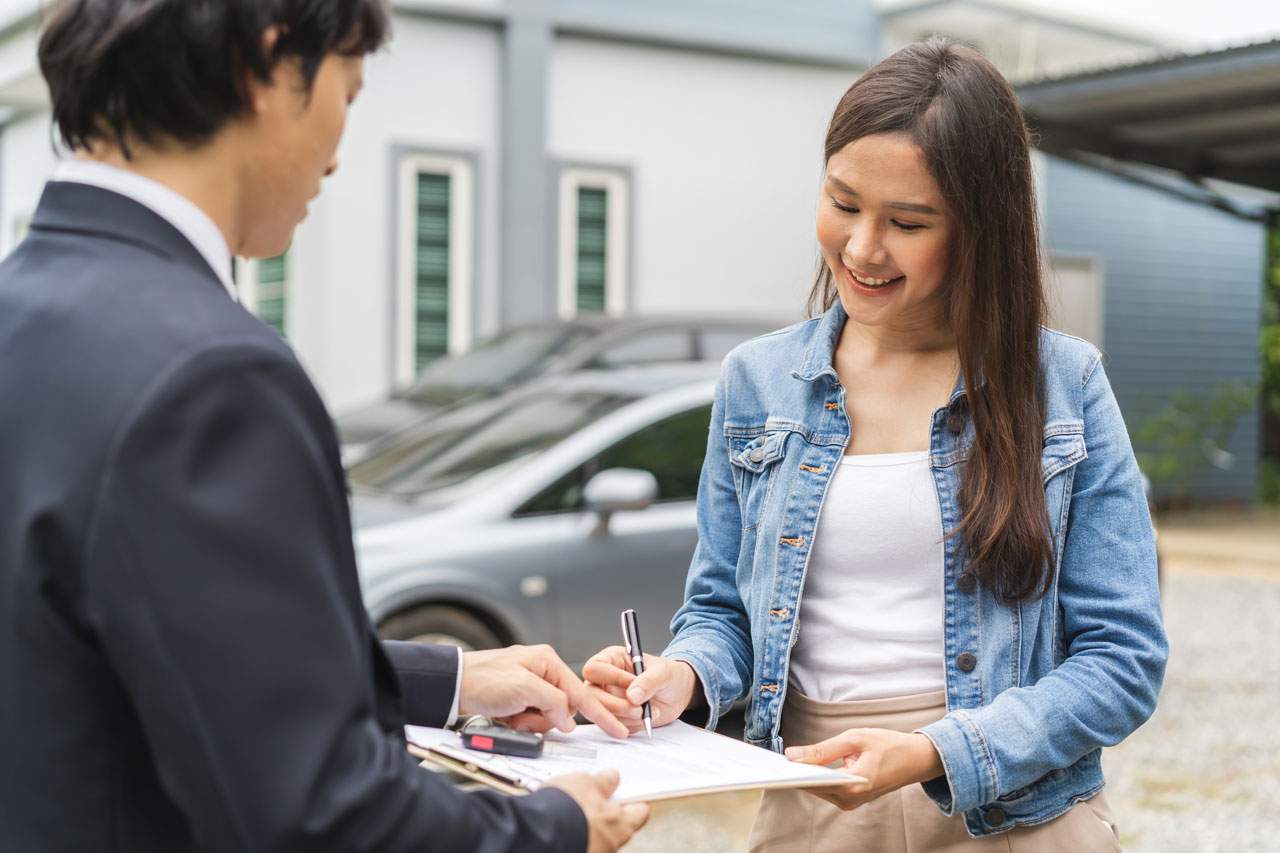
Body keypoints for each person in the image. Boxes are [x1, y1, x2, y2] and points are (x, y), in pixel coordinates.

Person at [0, 2, 648, 851]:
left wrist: (446, 677)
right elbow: (319, 814)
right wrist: (558, 824)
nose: (338, 155)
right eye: (348, 89)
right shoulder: (214, 379)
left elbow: (135, 643)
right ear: (268, 68)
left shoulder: (24, 308)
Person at [584, 39, 1167, 851]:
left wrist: (936, 749)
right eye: (843, 202)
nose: (862, 248)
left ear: (980, 228)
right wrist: (677, 677)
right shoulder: (756, 383)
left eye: (908, 223)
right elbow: (721, 613)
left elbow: (1123, 659)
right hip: (813, 803)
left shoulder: (1063, 386)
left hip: (1017, 814)